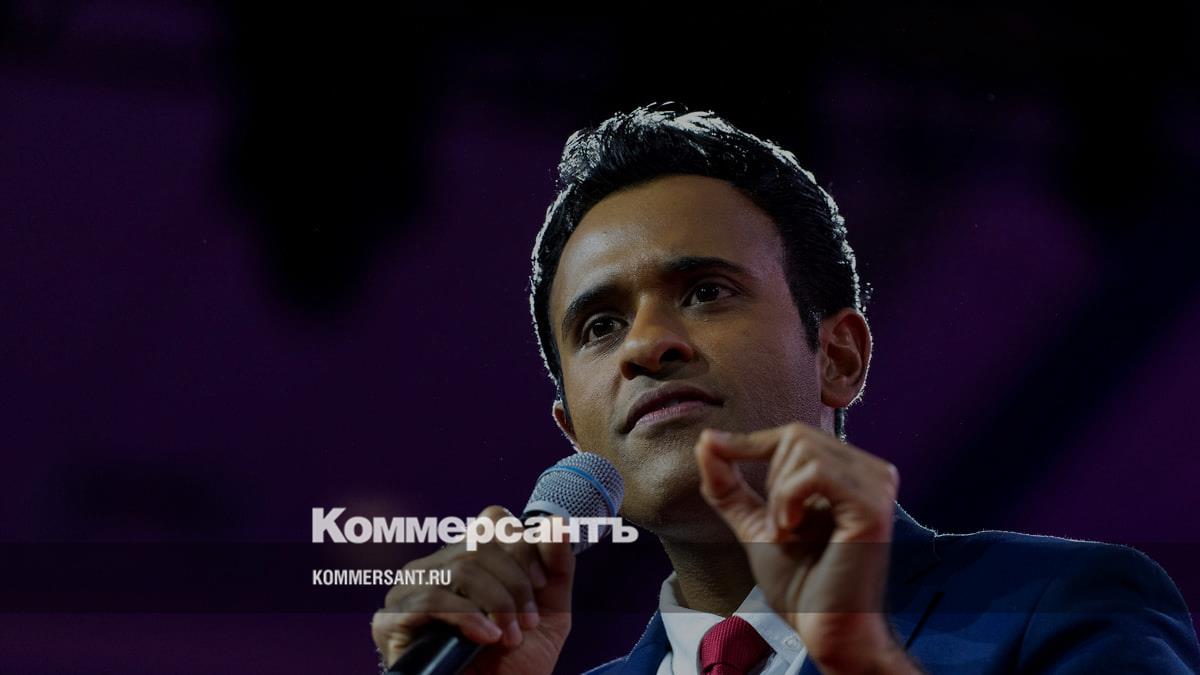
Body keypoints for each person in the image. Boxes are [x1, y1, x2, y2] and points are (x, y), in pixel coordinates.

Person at [371, 105, 1200, 674]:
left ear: (838, 356)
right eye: (600, 325)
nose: (647, 345)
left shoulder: (1066, 605)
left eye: (706, 291)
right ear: (573, 434)